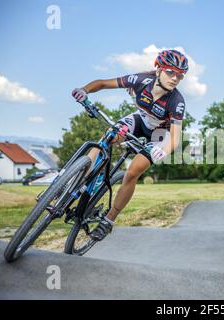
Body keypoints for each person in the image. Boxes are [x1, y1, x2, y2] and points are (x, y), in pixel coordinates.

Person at [71, 49, 188, 241]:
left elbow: (174, 138)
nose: (175, 78)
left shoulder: (177, 102)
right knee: (108, 137)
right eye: (170, 72)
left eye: (180, 75)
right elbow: (102, 83)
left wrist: (163, 150)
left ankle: (109, 220)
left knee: (133, 172)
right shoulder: (140, 80)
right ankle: (80, 177)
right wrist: (84, 90)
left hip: (159, 134)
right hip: (140, 120)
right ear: (158, 69)